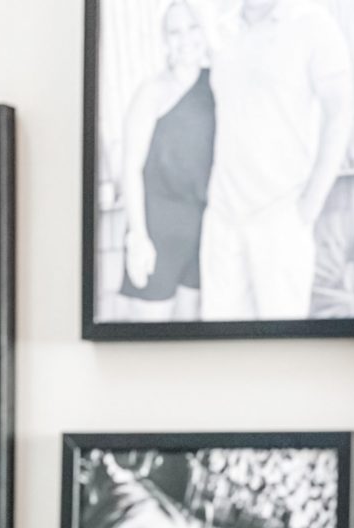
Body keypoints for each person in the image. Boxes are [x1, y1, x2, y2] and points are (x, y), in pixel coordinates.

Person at [192, 0, 354, 322]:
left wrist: (311, 203)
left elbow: (341, 113)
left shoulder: (313, 24)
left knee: (283, 346)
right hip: (223, 218)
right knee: (219, 349)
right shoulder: (223, 29)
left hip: (281, 215)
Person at [119, 1, 215, 322]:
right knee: (147, 342)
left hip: (203, 231)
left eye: (192, 28)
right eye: (175, 31)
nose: (185, 38)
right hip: (156, 231)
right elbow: (130, 168)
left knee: (189, 347)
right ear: (165, 39)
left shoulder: (217, 86)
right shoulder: (151, 92)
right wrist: (138, 236)